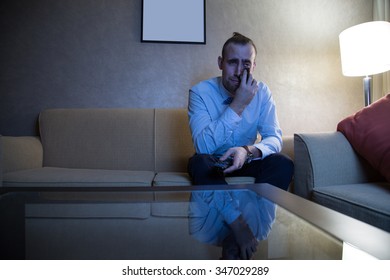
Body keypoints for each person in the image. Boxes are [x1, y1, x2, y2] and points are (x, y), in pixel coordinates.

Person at [187, 32, 294, 259]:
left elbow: (274, 138)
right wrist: (238, 104)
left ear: (253, 66)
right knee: (198, 163)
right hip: (213, 162)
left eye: (246, 63)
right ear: (220, 63)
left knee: (282, 164)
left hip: (246, 159)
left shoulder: (263, 93)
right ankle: (239, 226)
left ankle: (248, 218)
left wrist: (247, 151)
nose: (239, 71)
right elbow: (203, 146)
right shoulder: (200, 93)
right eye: (232, 62)